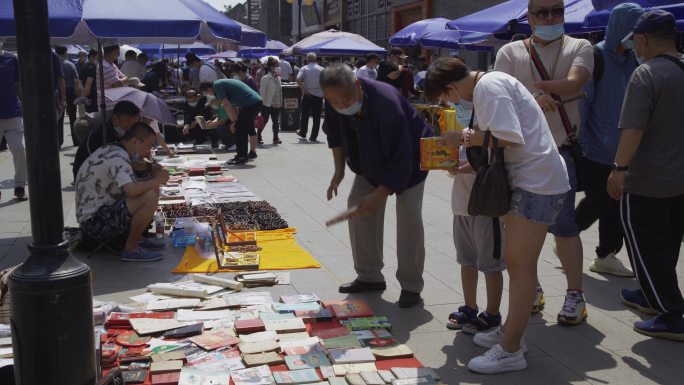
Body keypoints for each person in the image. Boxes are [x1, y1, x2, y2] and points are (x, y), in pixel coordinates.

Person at [426, 57, 570, 374]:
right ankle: (510, 335)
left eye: (445, 97)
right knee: (519, 264)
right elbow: (499, 140)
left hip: (537, 184)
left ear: (450, 87)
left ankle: (510, 349)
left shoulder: (488, 87)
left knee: (519, 266)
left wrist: (461, 137)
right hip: (533, 181)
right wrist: (469, 159)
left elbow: (509, 137)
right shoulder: (489, 83)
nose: (450, 103)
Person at [494, 0, 593, 325]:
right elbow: (500, 95)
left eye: (557, 11)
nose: (550, 18)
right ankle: (531, 288)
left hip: (559, 153)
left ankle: (574, 294)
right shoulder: (510, 52)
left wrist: (524, 91)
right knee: (516, 229)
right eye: (542, 12)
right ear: (530, 17)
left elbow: (574, 83)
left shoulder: (580, 46)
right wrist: (533, 97)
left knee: (564, 227)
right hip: (515, 155)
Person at [321, 64, 429, 309]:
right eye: (334, 101)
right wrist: (338, 172)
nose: (341, 104)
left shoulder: (387, 102)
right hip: (370, 162)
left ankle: (411, 285)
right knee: (357, 209)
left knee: (408, 217)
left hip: (411, 161)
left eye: (346, 98)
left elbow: (400, 159)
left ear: (358, 85)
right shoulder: (333, 99)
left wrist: (380, 195)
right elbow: (335, 135)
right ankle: (369, 276)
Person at [607, 10, 684, 341]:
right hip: (678, 178)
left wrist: (618, 169)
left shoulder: (646, 75)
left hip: (647, 179)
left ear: (642, 39)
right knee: (666, 243)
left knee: (646, 245)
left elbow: (633, 129)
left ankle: (670, 312)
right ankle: (649, 292)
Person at [576, 3, 644, 277]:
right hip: (596, 146)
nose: (635, 36)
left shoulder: (634, 60)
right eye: (632, 30)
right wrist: (581, 142)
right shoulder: (597, 56)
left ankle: (606, 253)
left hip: (624, 149)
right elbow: (583, 103)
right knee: (601, 198)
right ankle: (567, 231)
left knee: (614, 202)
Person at [444, 96, 506, 336]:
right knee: (466, 259)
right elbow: (463, 162)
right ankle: (469, 306)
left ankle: (492, 313)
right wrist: (450, 164)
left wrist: (466, 164)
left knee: (490, 263)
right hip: (461, 204)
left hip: (486, 205)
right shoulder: (463, 130)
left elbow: (492, 161)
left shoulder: (494, 130)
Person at [75, 123, 169, 262]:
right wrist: (157, 180)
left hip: (98, 212)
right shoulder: (118, 157)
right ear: (135, 141)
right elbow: (132, 190)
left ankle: (137, 238)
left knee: (150, 189)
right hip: (94, 222)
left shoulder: (114, 149)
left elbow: (133, 182)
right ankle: (131, 248)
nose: (150, 151)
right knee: (150, 196)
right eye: (149, 145)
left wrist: (152, 176)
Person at [200, 79, 262, 165]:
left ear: (209, 89)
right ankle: (241, 155)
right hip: (252, 103)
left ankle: (242, 157)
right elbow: (233, 107)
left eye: (208, 94)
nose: (210, 95)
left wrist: (233, 122)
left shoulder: (217, 86)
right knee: (240, 128)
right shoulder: (220, 85)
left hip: (251, 103)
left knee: (240, 130)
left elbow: (226, 105)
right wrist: (235, 122)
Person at [72, 101, 141, 179]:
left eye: (134, 124)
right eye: (128, 122)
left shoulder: (118, 132)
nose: (131, 128)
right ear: (115, 119)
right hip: (86, 177)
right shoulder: (104, 134)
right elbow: (119, 165)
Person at [0, 46, 28, 201]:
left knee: (19, 150)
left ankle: (19, 186)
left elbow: (19, 86)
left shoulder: (12, 59)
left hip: (13, 113)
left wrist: (25, 104)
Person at [55, 46, 83, 147]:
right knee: (72, 117)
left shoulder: (54, 64)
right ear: (65, 52)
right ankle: (76, 141)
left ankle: (59, 142)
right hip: (71, 91)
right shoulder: (70, 65)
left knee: (59, 118)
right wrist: (79, 94)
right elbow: (76, 82)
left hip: (58, 92)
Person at [230, 62, 259, 153]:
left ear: (242, 72)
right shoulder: (242, 80)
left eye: (237, 73)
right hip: (243, 108)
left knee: (250, 129)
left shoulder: (250, 80)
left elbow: (254, 96)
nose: (236, 75)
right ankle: (249, 151)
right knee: (248, 129)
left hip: (250, 108)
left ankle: (253, 151)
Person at [296, 53, 324, 142]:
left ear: (307, 60)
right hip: (319, 95)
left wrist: (304, 89)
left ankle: (303, 132)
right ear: (315, 60)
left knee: (305, 114)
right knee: (316, 117)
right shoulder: (321, 69)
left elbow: (298, 79)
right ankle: (313, 136)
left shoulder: (304, 68)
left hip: (307, 94)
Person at [259, 57, 283, 145]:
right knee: (264, 121)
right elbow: (262, 92)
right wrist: (262, 104)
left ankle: (275, 138)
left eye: (277, 66)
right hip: (267, 103)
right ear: (270, 67)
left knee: (276, 121)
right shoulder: (266, 78)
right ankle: (258, 135)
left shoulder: (278, 77)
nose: (276, 67)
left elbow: (280, 90)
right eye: (274, 66)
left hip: (276, 103)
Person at [79, 49, 99, 114]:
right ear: (92, 56)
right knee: (93, 116)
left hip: (86, 96)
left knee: (88, 114)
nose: (99, 58)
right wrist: (85, 94)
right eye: (97, 56)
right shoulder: (92, 67)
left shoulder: (83, 67)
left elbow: (79, 82)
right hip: (92, 96)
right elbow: (88, 83)